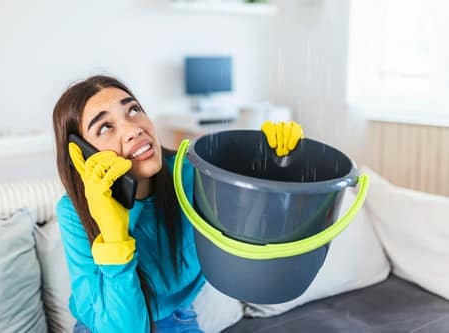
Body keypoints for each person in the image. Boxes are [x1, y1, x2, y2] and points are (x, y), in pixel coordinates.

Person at [52, 75, 303, 333]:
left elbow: (259, 253)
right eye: (105, 127)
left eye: (134, 110)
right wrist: (114, 238)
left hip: (179, 319)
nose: (133, 129)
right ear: (83, 154)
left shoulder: (193, 175)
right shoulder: (74, 213)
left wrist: (277, 169)